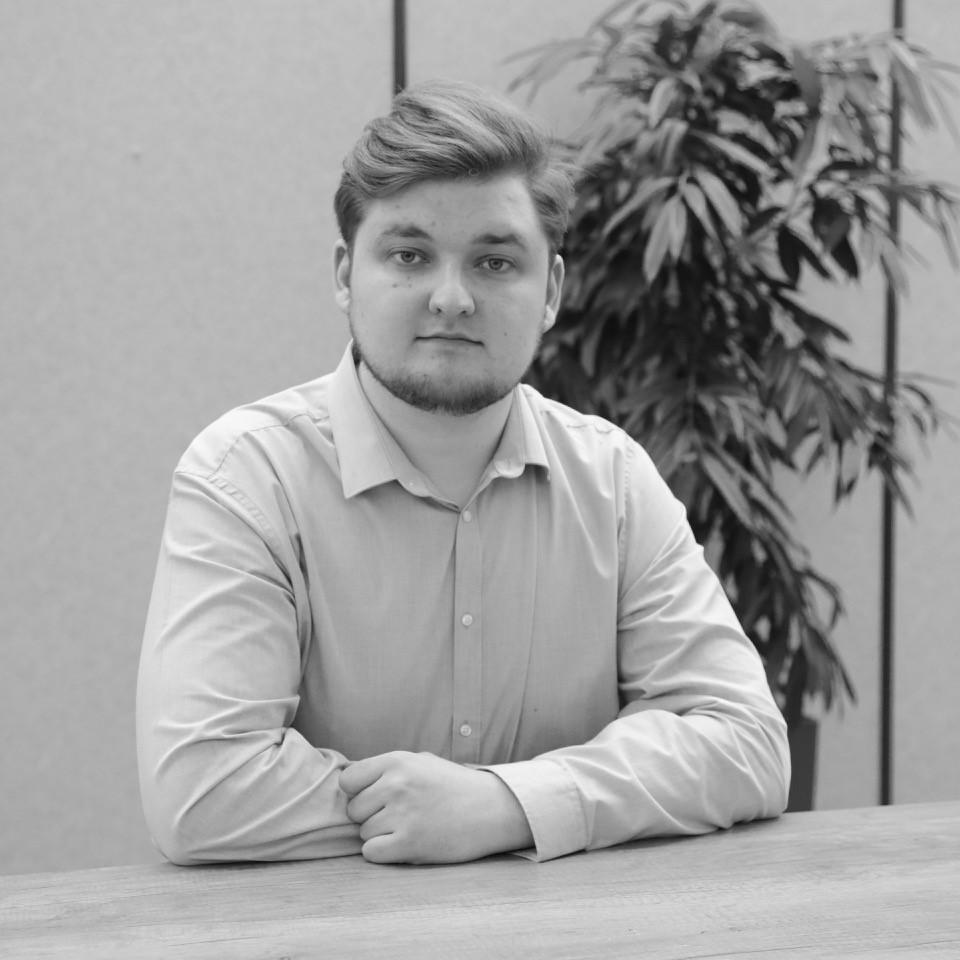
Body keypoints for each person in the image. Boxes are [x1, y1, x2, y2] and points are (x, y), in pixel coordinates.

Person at [136, 79, 790, 867]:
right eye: (409, 256)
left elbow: (746, 741)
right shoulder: (248, 478)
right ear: (346, 274)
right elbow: (203, 792)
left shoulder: (611, 478)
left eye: (494, 261)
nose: (452, 298)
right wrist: (484, 810)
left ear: (550, 291)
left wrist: (502, 805)